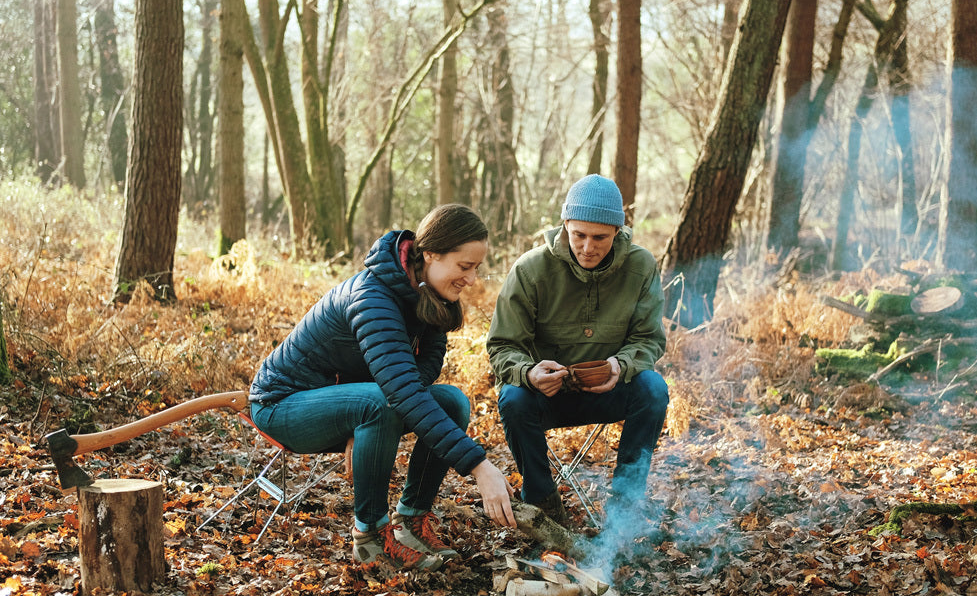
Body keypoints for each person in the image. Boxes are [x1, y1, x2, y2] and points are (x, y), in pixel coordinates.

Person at [249, 204, 516, 571]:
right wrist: (480, 467)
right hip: (282, 405)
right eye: (465, 266)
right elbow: (400, 392)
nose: (471, 280)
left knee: (451, 401)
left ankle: (411, 522)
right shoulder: (373, 298)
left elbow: (419, 377)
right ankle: (370, 538)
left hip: (350, 403)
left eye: (476, 268)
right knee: (382, 401)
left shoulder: (428, 294)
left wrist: (362, 415)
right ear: (430, 254)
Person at [486, 174, 669, 528]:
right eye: (579, 235)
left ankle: (625, 506)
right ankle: (543, 506)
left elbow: (649, 338)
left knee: (653, 389)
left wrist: (620, 365)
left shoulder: (641, 266)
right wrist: (529, 373)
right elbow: (502, 345)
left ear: (617, 231)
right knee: (512, 398)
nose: (588, 247)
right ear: (565, 224)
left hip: (608, 391)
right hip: (545, 398)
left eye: (600, 237)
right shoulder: (530, 270)